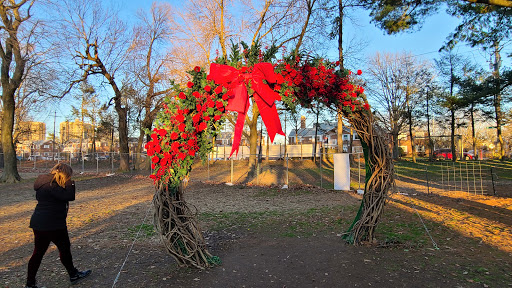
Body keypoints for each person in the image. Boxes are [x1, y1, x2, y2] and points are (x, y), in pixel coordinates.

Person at [26, 163, 91, 288]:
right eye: (69, 176)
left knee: (39, 253)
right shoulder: (52, 185)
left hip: (39, 222)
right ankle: (73, 274)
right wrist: (69, 182)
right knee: (63, 249)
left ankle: (30, 283)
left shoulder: (43, 182)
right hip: (53, 224)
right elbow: (70, 196)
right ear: (65, 174)